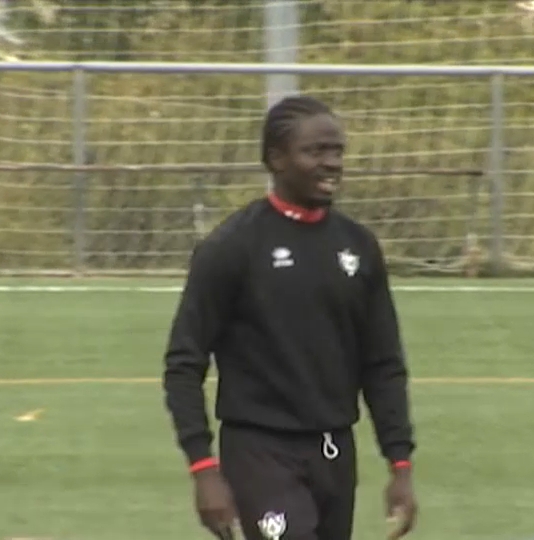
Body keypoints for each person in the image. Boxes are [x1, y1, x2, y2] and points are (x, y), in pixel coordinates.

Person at [162, 95, 418, 540]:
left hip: (336, 451)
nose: (331, 163)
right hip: (260, 454)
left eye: (337, 151)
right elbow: (183, 364)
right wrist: (204, 469)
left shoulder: (358, 247)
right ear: (276, 159)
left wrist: (400, 464)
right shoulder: (231, 248)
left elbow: (382, 364)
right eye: (315, 151)